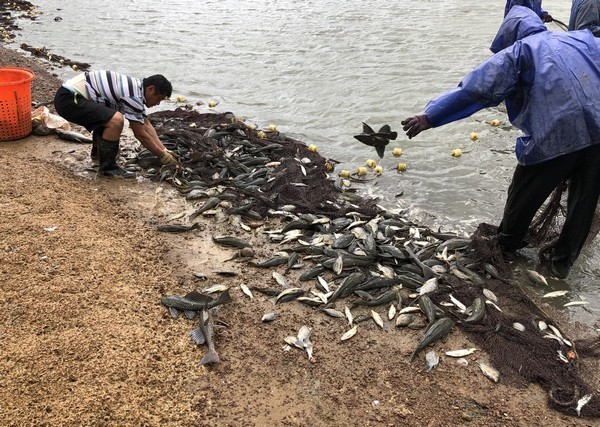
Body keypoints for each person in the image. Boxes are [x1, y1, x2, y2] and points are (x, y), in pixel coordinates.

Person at [401, 6, 600, 279]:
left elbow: (475, 91)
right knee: (584, 202)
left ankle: (507, 246)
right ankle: (560, 266)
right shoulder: (582, 39)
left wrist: (430, 117)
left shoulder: (518, 52)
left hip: (555, 134)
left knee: (524, 192)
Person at [54, 70, 178, 178]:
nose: (158, 104)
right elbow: (140, 134)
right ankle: (108, 168)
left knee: (107, 116)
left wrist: (164, 149)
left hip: (68, 97)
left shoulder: (136, 89)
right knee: (116, 120)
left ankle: (98, 155)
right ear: (151, 89)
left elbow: (145, 124)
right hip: (69, 99)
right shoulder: (133, 94)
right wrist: (162, 156)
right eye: (159, 99)